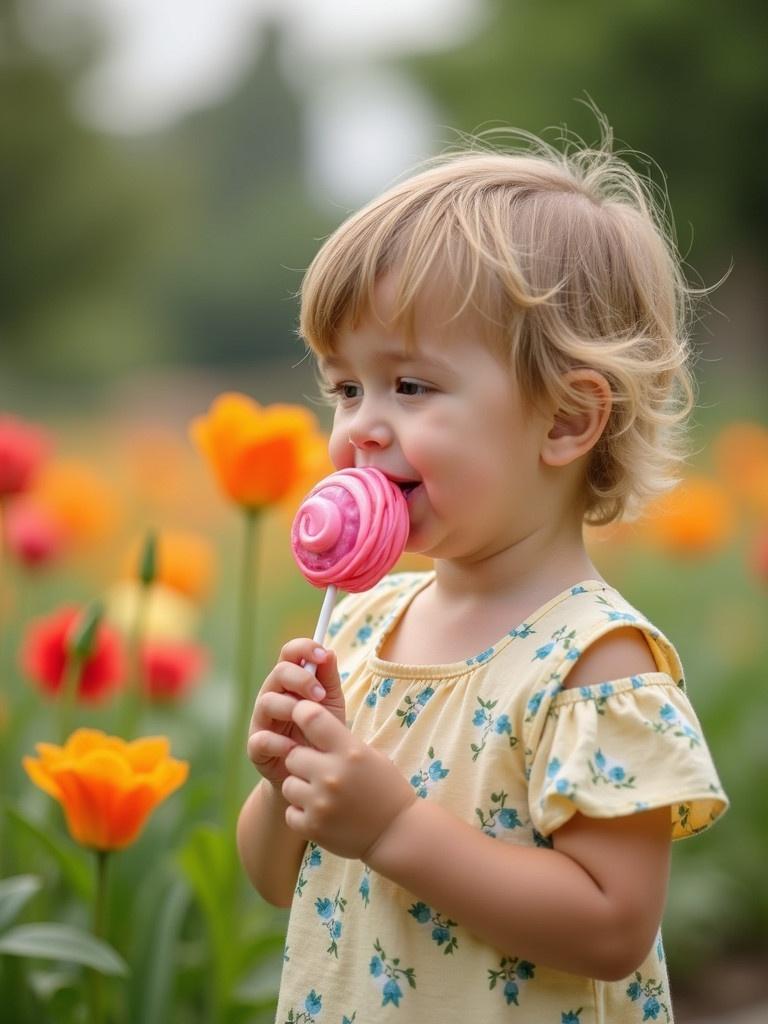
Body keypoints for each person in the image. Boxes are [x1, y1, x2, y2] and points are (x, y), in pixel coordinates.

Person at [237, 125, 728, 1023]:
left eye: (410, 386)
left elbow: (613, 925)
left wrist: (392, 830)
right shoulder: (356, 622)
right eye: (345, 388)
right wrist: (284, 784)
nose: (361, 428)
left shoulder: (595, 666)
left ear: (566, 422)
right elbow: (275, 879)